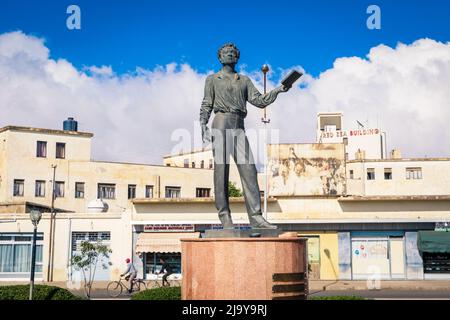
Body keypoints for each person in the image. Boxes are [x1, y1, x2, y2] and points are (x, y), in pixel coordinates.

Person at [199, 43, 291, 229]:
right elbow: (207, 103)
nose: (230, 55)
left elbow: (259, 100)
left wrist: (278, 90)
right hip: (220, 121)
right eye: (227, 52)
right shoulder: (212, 79)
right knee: (221, 171)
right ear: (220, 57)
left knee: (249, 170)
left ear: (237, 57)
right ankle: (225, 217)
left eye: (233, 53)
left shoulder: (244, 80)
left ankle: (256, 217)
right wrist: (203, 123)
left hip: (238, 124)